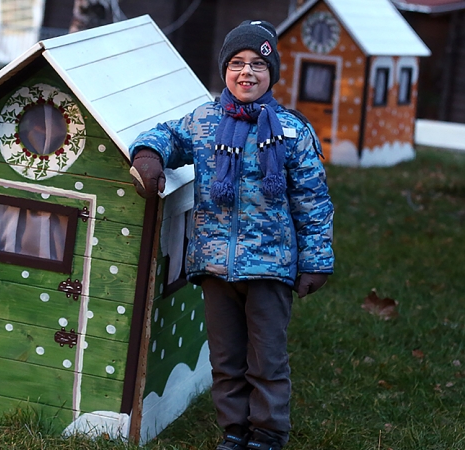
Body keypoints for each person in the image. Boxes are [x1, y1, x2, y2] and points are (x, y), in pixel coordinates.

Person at [128, 20, 334, 450]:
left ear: (272, 73)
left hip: (271, 267)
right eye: (237, 63)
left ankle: (267, 433)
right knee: (225, 358)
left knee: (267, 359)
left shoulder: (293, 132)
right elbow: (164, 135)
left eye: (259, 64)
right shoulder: (204, 122)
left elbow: (313, 203)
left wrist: (316, 261)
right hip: (215, 263)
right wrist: (149, 155)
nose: (247, 73)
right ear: (224, 69)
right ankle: (234, 430)